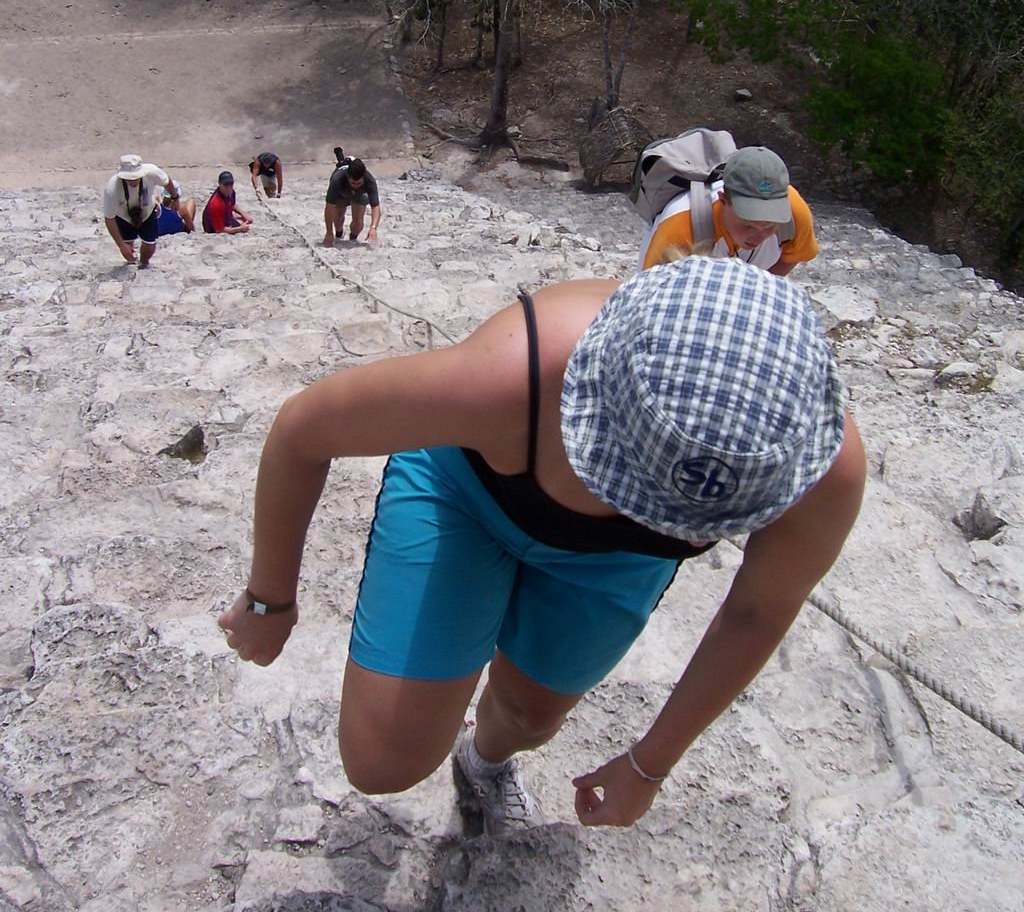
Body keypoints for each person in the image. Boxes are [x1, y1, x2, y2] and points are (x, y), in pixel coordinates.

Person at [219, 256, 865, 835]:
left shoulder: (815, 466)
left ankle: (484, 761)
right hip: (466, 495)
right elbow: (303, 429)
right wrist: (270, 599)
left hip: (616, 562)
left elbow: (757, 611)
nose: (689, 534)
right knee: (383, 759)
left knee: (531, 716)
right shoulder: (514, 376)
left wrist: (651, 763)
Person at [639, 146, 818, 276]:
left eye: (769, 226)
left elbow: (793, 255)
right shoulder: (679, 226)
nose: (758, 236)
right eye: (748, 225)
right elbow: (650, 294)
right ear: (723, 201)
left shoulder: (794, 212)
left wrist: (754, 292)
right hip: (686, 260)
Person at [102, 154, 180, 267]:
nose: (133, 180)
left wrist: (175, 198)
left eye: (136, 177)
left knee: (150, 245)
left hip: (147, 211)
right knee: (127, 246)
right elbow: (109, 218)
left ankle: (144, 263)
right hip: (124, 215)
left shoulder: (152, 172)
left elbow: (166, 182)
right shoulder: (112, 188)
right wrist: (121, 245)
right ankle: (131, 262)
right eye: (129, 178)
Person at [323, 157, 380, 246]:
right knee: (338, 218)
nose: (355, 185)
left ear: (363, 178)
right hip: (341, 192)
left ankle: (352, 239)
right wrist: (329, 232)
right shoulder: (337, 180)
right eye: (353, 183)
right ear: (348, 177)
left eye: (359, 183)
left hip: (360, 194)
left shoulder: (370, 181)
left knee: (358, 223)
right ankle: (339, 234)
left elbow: (375, 206)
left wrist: (373, 228)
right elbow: (329, 208)